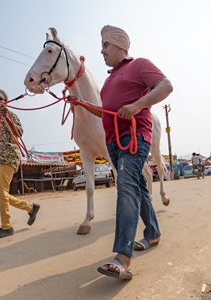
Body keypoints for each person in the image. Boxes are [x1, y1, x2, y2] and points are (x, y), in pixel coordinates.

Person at [73, 25, 173, 280]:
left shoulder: (139, 64)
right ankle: (152, 234)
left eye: (106, 45)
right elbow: (105, 112)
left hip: (134, 137)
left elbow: (165, 86)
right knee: (137, 188)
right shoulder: (108, 81)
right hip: (113, 143)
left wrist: (138, 104)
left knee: (125, 186)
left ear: (119, 45)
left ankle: (122, 257)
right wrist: (81, 104)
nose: (102, 50)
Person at [0, 88, 40, 240]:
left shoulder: (10, 114)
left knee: (0, 193)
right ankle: (30, 207)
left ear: (5, 101)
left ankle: (6, 226)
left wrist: (7, 118)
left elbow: (19, 132)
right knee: (0, 193)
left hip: (9, 156)